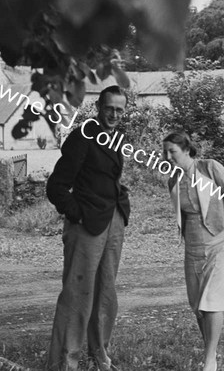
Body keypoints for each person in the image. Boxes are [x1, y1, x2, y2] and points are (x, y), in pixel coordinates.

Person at [46, 85, 130, 371]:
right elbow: (56, 186)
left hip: (113, 220)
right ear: (98, 107)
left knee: (106, 292)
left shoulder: (116, 137)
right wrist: (76, 214)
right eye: (110, 108)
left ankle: (100, 356)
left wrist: (121, 200)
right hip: (86, 225)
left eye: (120, 109)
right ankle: (64, 363)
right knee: (77, 294)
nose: (114, 114)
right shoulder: (83, 135)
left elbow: (105, 176)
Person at [162, 132, 224, 371]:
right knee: (197, 304)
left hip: (221, 242)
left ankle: (209, 358)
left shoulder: (210, 168)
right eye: (165, 152)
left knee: (213, 299)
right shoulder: (174, 180)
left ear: (187, 150)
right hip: (193, 246)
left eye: (173, 152)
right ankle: (210, 348)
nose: (168, 157)